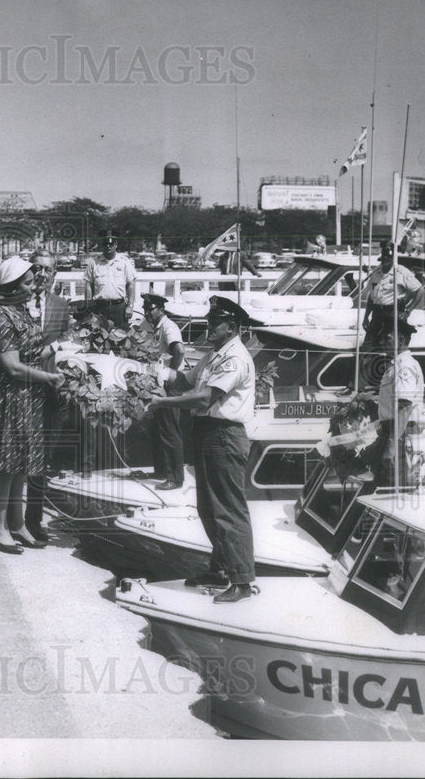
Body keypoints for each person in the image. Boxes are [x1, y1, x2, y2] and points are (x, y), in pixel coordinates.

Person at [150, 296, 260, 603]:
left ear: (232, 327)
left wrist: (162, 402)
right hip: (208, 433)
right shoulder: (215, 354)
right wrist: (148, 372)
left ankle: (242, 580)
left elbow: (203, 398)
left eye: (215, 323)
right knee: (208, 508)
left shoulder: (235, 358)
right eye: (209, 322)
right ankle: (221, 569)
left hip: (224, 434)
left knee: (227, 509)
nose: (209, 327)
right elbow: (185, 380)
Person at [0, 257, 65, 554]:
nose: (33, 287)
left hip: (27, 399)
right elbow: (13, 367)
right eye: (27, 283)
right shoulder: (1, 316)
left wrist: (61, 350)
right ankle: (0, 525)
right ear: (12, 287)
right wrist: (49, 377)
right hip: (9, 398)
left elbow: (32, 351)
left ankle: (17, 523)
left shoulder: (20, 311)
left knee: (22, 462)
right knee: (6, 464)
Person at [24, 250, 72, 541]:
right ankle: (14, 520)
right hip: (23, 387)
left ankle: (34, 520)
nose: (42, 274)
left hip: (51, 391)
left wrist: (53, 349)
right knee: (21, 456)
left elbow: (67, 338)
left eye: (48, 270)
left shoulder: (61, 305)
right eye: (38, 268)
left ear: (55, 275)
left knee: (43, 458)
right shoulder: (16, 301)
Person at [369, 317, 424, 487]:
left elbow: (404, 407)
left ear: (400, 339)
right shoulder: (398, 364)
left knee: (392, 488)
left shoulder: (404, 367)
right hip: (394, 432)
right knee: (384, 483)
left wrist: (391, 447)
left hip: (399, 434)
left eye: (387, 338)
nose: (382, 342)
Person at [140, 292, 186, 490]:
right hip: (157, 383)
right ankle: (160, 470)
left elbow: (180, 351)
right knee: (157, 429)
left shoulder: (168, 327)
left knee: (169, 431)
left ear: (161, 309)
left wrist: (171, 374)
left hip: (169, 385)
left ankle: (175, 478)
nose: (147, 313)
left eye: (150, 310)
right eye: (145, 310)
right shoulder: (152, 326)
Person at [361, 240, 424, 351]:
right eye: (384, 256)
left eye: (388, 257)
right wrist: (366, 316)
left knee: (390, 348)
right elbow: (372, 296)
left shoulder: (401, 272)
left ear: (393, 258)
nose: (385, 259)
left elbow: (420, 290)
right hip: (377, 315)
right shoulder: (376, 272)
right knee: (367, 347)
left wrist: (408, 311)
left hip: (393, 314)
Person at [84, 235, 136, 329]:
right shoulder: (94, 263)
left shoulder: (124, 262)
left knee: (120, 337)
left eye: (111, 243)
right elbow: (88, 285)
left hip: (119, 308)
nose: (108, 246)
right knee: (97, 337)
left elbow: (131, 285)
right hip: (99, 307)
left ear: (116, 245)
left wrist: (130, 306)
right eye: (105, 243)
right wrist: (89, 307)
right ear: (102, 245)